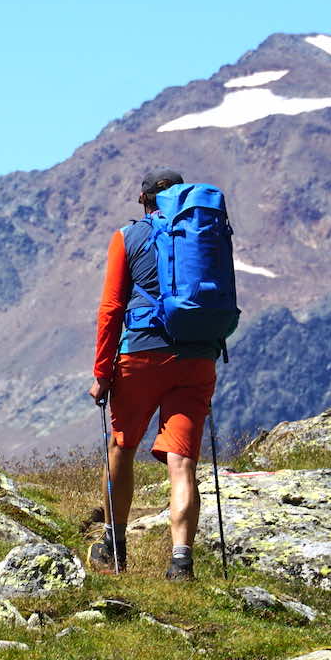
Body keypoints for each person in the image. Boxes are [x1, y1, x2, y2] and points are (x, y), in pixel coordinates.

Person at [86, 169, 221, 581]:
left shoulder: (128, 237)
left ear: (144, 199)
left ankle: (113, 548)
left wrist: (102, 373)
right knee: (182, 464)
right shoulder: (203, 233)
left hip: (142, 352)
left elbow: (111, 308)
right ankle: (182, 562)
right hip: (197, 356)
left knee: (122, 447)